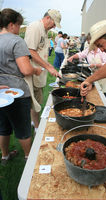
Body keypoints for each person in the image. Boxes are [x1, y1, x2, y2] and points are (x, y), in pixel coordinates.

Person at [0, 8, 42, 165]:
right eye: (18, 26)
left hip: (0, 93)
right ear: (11, 25)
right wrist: (36, 70)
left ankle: (5, 156)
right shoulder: (16, 41)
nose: (19, 29)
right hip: (16, 92)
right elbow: (25, 70)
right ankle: (28, 157)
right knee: (23, 127)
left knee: (3, 126)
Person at [24, 9, 61, 132]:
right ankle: (37, 127)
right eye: (54, 23)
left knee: (36, 99)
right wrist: (48, 67)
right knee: (36, 102)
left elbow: (41, 51)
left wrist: (46, 66)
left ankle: (32, 121)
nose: (54, 26)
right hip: (33, 72)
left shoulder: (45, 30)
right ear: (48, 18)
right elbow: (30, 51)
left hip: (40, 72)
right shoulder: (35, 27)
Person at [68, 33, 106, 98]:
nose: (89, 44)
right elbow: (81, 54)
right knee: (94, 92)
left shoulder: (103, 50)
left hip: (104, 76)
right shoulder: (89, 49)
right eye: (88, 43)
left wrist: (95, 65)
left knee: (102, 94)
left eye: (90, 43)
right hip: (94, 75)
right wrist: (72, 57)